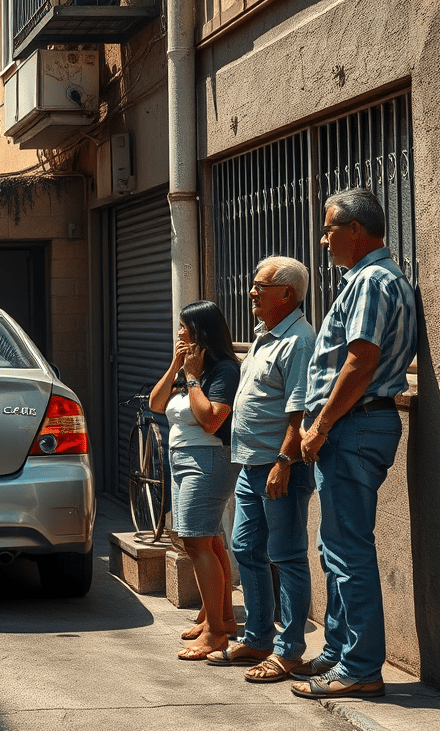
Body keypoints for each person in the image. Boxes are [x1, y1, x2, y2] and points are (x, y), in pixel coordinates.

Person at [291, 188, 417, 699]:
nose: (323, 240)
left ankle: (361, 667)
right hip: (358, 424)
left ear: (357, 232)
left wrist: (320, 425)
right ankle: (341, 650)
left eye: (329, 230)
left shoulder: (370, 281)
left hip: (353, 424)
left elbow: (360, 363)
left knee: (347, 550)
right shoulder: (376, 278)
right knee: (335, 545)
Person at [205, 256, 315, 683]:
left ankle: (288, 651)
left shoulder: (298, 340)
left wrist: (285, 461)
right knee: (247, 549)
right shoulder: (265, 336)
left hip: (279, 465)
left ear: (286, 293)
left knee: (286, 555)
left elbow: (300, 411)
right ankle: (258, 638)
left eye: (260, 286)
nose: (251, 291)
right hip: (252, 465)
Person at [150, 300, 241, 660]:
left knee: (194, 542)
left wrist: (191, 377)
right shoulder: (191, 367)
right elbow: (158, 404)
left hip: (209, 459)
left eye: (184, 326)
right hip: (183, 459)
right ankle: (223, 618)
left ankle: (216, 633)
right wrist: (177, 366)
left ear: (201, 330)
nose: (178, 332)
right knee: (209, 539)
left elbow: (212, 420)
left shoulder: (223, 371)